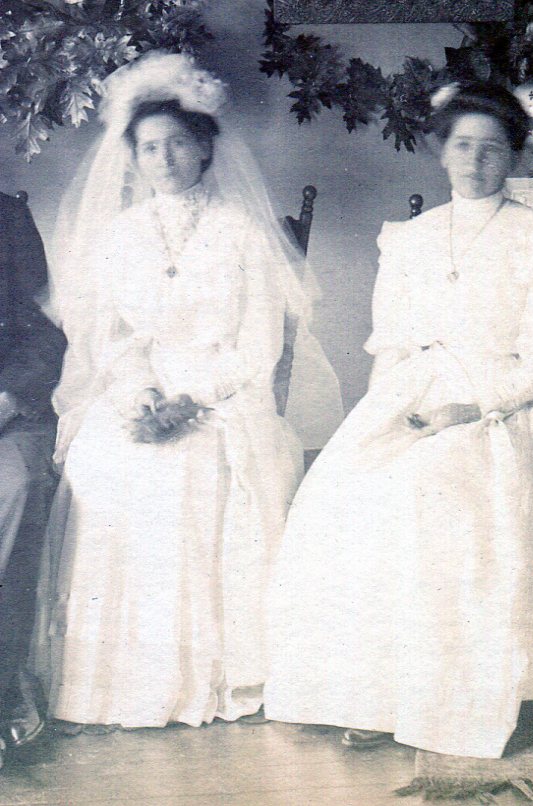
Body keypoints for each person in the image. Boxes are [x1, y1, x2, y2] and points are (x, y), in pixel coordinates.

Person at [265, 82, 533, 760]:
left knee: (431, 491)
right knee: (341, 491)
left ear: (513, 158)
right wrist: (384, 421)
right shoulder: (408, 239)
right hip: (413, 392)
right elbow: (391, 345)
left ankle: (447, 700)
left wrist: (476, 407)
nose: (475, 162)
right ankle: (366, 696)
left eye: (493, 150)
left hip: (503, 402)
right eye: (462, 146)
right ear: (440, 153)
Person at [30, 52, 342, 731]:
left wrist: (188, 400)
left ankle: (208, 679)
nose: (164, 157)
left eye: (177, 143)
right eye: (149, 147)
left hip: (224, 395)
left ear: (204, 147)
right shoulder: (121, 235)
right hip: (141, 396)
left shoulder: (244, 234)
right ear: (134, 159)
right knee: (102, 466)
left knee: (195, 473)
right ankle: (112, 686)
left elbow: (258, 346)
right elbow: (109, 338)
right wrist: (138, 395)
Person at [0, 190, 66, 765]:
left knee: (17, 490)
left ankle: (5, 680)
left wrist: (10, 396)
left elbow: (44, 335)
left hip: (6, 416)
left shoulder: (7, 215)